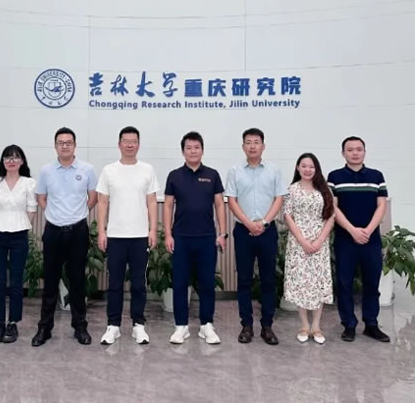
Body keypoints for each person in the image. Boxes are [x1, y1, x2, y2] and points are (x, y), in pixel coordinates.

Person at [31, 127, 98, 347]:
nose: (65, 146)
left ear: (75, 145)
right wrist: (55, 214)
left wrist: (77, 214)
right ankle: (44, 328)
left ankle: (80, 327)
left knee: (77, 281)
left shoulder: (87, 169)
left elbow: (93, 197)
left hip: (78, 231)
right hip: (53, 231)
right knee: (50, 281)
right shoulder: (46, 171)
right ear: (55, 146)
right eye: (61, 143)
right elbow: (41, 198)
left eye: (69, 142)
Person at [97, 126, 159, 345]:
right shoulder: (109, 171)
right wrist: (102, 231)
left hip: (140, 236)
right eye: (126, 141)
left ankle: (138, 325)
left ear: (138, 145)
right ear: (119, 144)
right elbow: (102, 202)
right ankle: (113, 326)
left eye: (134, 141)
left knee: (138, 284)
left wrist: (152, 230)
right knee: (114, 283)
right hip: (115, 236)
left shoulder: (147, 170)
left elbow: (152, 201)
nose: (130, 145)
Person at [163, 131, 227, 345]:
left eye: (196, 147)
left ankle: (206, 325)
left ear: (202, 150)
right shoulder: (174, 176)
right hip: (181, 238)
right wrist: (168, 234)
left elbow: (220, 205)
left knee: (207, 282)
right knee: (180, 282)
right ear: (183, 151)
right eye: (189, 148)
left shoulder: (212, 174)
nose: (193, 151)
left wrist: (222, 233)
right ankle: (181, 326)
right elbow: (168, 206)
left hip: (207, 237)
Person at [328, 136, 390, 343]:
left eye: (359, 149)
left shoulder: (376, 176)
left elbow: (381, 205)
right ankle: (349, 325)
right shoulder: (335, 177)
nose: (355, 153)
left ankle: (371, 324)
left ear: (364, 151)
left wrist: (368, 230)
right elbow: (332, 207)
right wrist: (352, 230)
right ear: (343, 153)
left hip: (371, 240)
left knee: (372, 283)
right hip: (345, 239)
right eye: (350, 150)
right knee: (344, 283)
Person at [226, 128, 284, 345]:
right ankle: (246, 325)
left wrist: (265, 222)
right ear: (243, 147)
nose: (252, 146)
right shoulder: (234, 171)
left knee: (268, 279)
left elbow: (279, 198)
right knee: (244, 279)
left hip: (267, 231)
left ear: (263, 146)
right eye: (248, 142)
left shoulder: (274, 170)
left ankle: (267, 326)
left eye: (256, 142)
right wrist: (249, 223)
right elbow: (232, 200)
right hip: (243, 230)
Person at [0, 145, 37, 344]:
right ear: (3, 161)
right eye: (7, 157)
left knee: (16, 282)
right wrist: (2, 224)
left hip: (19, 235)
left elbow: (32, 209)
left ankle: (13, 323)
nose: (11, 161)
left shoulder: (29, 183)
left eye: (15, 157)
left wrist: (19, 225)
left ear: (22, 161)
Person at [283, 153, 335, 345]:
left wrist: (320, 240)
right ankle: (304, 325)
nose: (307, 170)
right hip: (298, 244)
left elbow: (331, 216)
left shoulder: (325, 189)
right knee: (301, 284)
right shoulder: (292, 189)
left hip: (320, 244)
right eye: (304, 166)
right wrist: (303, 241)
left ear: (316, 169)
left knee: (317, 284)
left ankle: (316, 326)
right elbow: (288, 216)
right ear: (298, 168)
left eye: (311, 166)